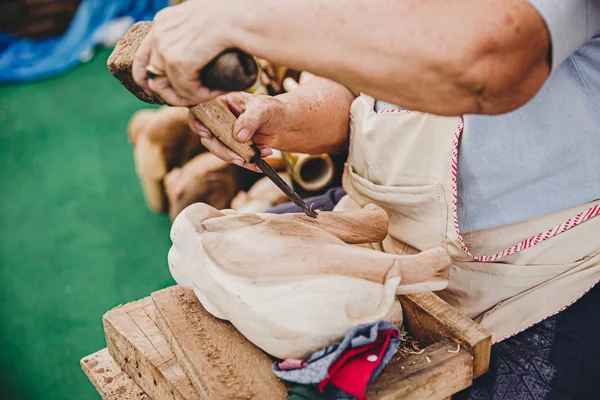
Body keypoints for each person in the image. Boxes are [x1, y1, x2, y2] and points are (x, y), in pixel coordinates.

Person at [133, 0, 600, 398]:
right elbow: (356, 86)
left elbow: (488, 64)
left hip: (545, 273)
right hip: (386, 222)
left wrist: (239, 19)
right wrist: (285, 115)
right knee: (214, 274)